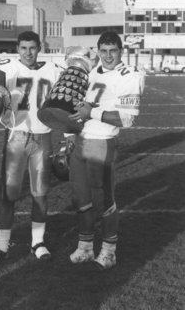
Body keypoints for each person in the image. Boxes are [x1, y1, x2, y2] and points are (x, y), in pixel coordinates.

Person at [0, 31, 63, 266]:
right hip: (16, 136)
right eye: (23, 48)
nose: (28, 52)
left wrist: (70, 135)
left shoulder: (54, 70)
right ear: (17, 48)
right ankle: (2, 245)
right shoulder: (3, 68)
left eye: (32, 48)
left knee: (40, 193)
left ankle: (38, 242)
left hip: (42, 136)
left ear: (40, 47)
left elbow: (66, 106)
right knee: (9, 193)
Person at [68, 31, 145, 270]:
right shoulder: (91, 72)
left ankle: (109, 251)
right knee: (80, 198)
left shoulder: (130, 75)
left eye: (113, 50)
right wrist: (69, 134)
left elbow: (127, 120)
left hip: (102, 142)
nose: (108, 55)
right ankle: (85, 246)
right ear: (98, 51)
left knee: (103, 201)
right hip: (81, 140)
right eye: (104, 51)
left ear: (121, 51)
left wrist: (91, 113)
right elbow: (76, 106)